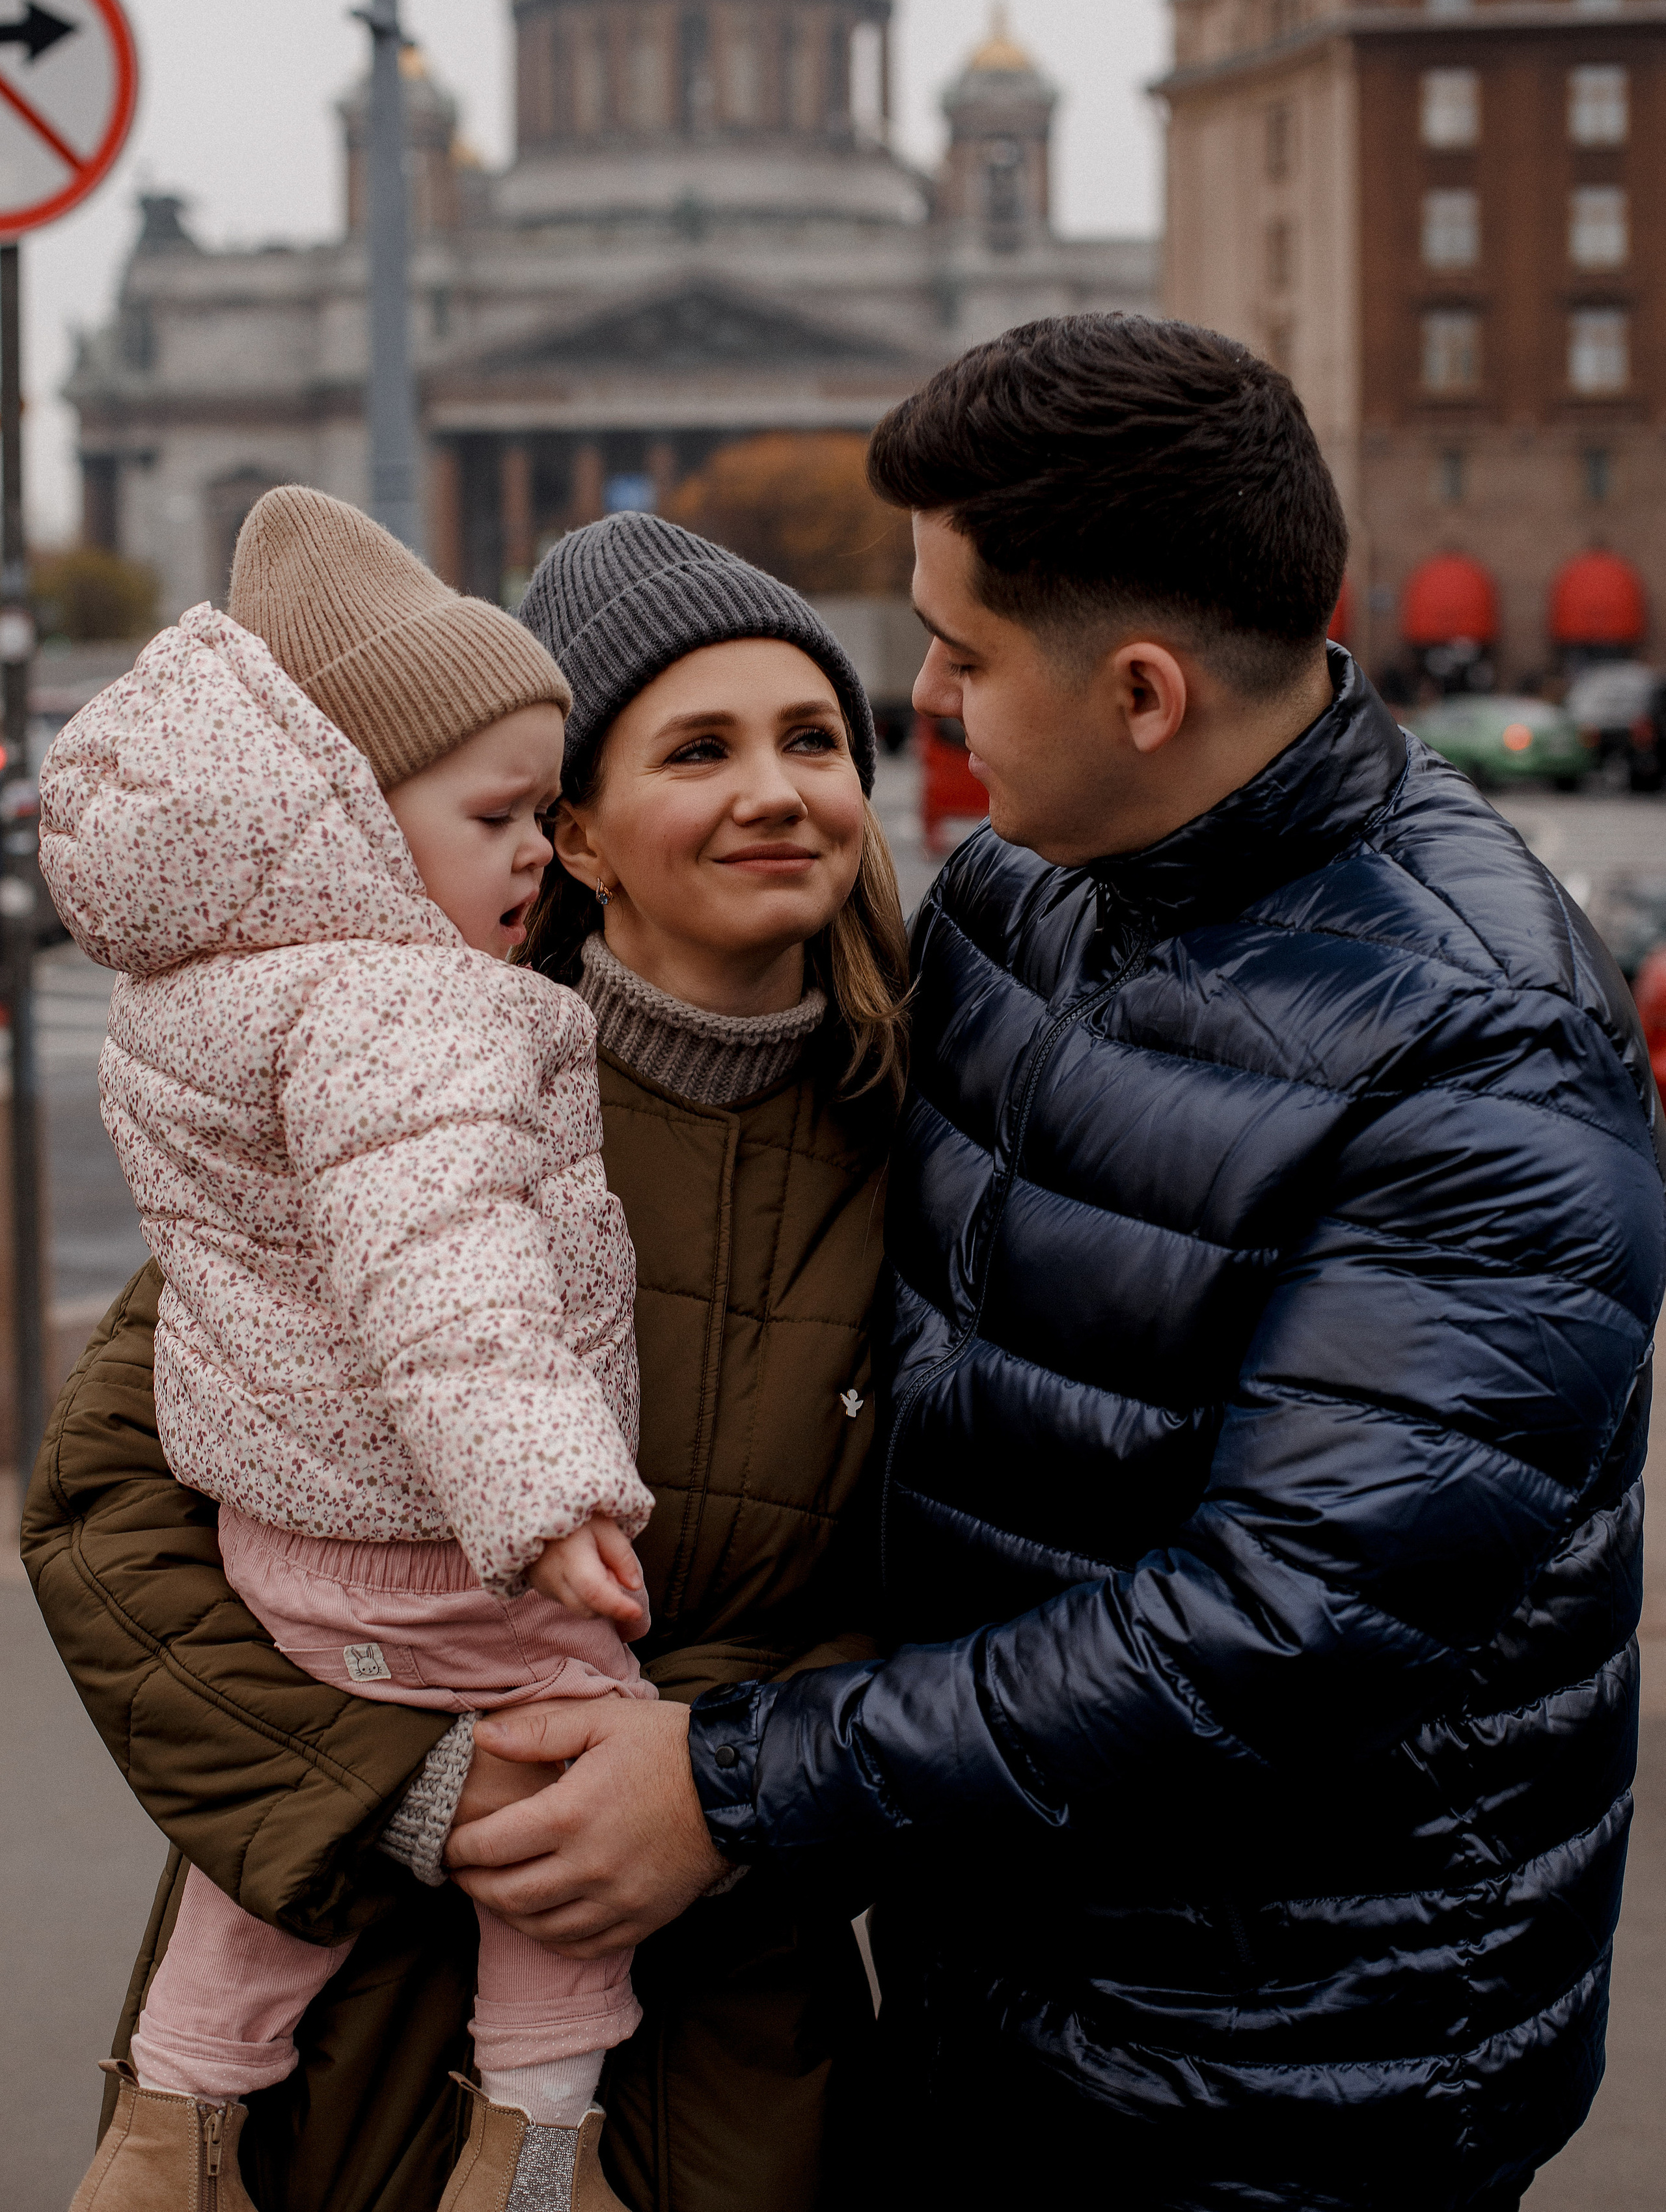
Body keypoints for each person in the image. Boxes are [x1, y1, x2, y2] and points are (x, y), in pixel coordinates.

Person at [444, 318, 1665, 2212]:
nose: (924, 696)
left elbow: (1285, 1628)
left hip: (1291, 2080)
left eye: (964, 652)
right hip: (999, 1978)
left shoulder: (1481, 1054)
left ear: (1144, 693)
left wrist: (731, 1781)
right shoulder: (1031, 881)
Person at [24, 510, 906, 2212]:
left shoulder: (938, 1138)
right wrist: (415, 1786)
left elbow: (987, 1592)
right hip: (348, 2028)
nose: (776, 791)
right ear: (573, 831)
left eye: (815, 737)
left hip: (736, 2047)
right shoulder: (384, 1101)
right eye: (698, 749)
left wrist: (723, 1791)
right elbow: (107, 1526)